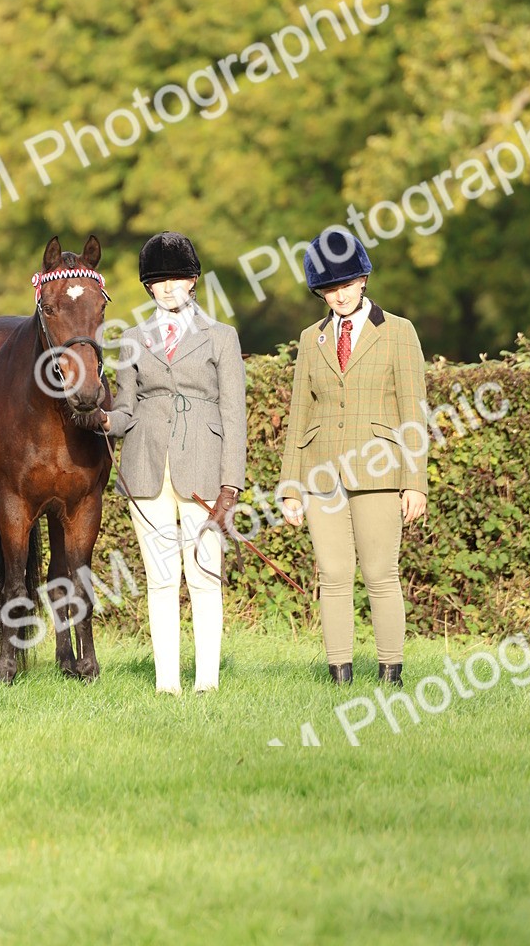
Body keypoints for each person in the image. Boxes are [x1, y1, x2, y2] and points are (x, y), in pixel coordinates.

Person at [96, 232, 247, 693]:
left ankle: (206, 683)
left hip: (204, 469)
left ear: (193, 280)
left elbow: (234, 414)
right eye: (158, 280)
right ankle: (167, 684)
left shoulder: (221, 337)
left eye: (176, 278)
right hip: (146, 469)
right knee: (161, 580)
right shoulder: (132, 339)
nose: (167, 287)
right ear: (148, 286)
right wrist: (102, 419)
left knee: (204, 576)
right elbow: (126, 408)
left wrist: (231, 485)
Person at [278, 228, 427, 687]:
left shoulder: (398, 331)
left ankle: (390, 673)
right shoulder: (311, 338)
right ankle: (339, 674)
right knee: (333, 574)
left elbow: (414, 412)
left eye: (345, 284)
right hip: (321, 472)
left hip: (380, 469)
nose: (339, 296)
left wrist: (415, 481)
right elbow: (299, 413)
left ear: (363, 279)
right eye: (329, 289)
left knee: (381, 573)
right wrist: (289, 487)